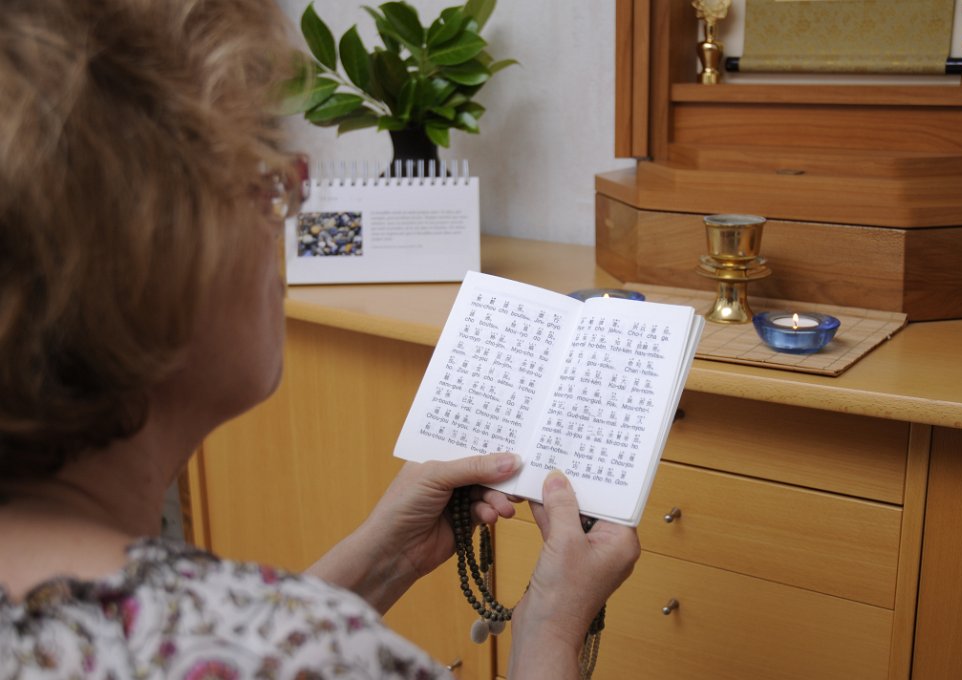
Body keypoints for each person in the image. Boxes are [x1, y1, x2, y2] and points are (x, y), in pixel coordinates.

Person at [0, 0, 641, 678]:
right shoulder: (322, 655)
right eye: (267, 182)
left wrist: (385, 557)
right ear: (157, 265)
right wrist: (552, 629)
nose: (285, 222)